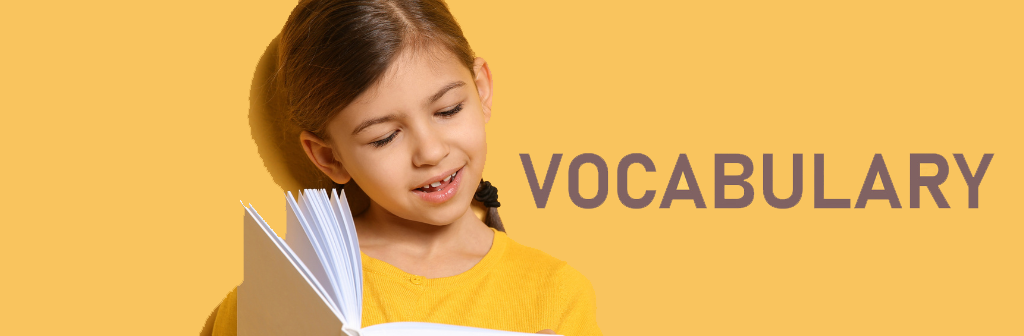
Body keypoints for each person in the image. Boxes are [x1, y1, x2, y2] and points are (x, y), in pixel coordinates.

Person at [202, 0, 601, 335]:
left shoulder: (555, 294)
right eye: (384, 137)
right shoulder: (281, 292)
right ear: (329, 157)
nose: (429, 152)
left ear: (481, 90)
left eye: (448, 110)